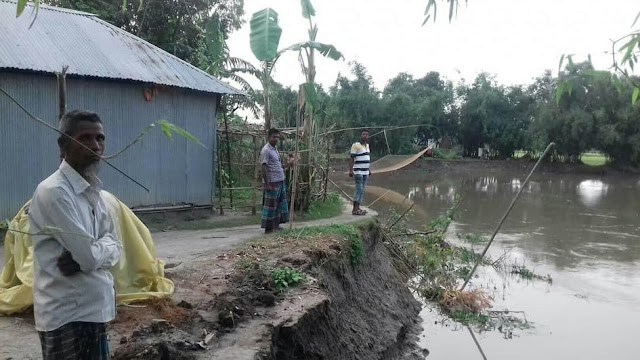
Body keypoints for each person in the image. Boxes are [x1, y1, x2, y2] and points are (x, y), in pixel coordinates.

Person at [29, 110, 122, 360]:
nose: (95, 145)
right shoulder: (55, 192)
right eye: (85, 138)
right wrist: (93, 255)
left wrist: (92, 255)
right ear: (64, 144)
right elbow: (90, 257)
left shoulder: (94, 190)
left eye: (100, 138)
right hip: (68, 316)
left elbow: (114, 247)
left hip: (94, 312)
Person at [260, 128, 291, 233]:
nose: (276, 139)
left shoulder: (275, 149)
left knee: (279, 204)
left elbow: (277, 166)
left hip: (280, 181)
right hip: (272, 182)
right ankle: (268, 228)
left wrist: (288, 165)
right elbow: (263, 167)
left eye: (278, 137)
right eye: (274, 137)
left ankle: (276, 225)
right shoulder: (266, 150)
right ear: (269, 137)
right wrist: (267, 183)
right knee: (271, 206)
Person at [349, 129, 370, 215]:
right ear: (360, 135)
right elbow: (351, 158)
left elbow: (367, 158)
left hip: (366, 172)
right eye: (363, 134)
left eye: (366, 134)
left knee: (362, 189)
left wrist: (369, 170)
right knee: (359, 188)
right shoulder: (356, 145)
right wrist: (350, 170)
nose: (365, 136)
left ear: (368, 136)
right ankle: (354, 209)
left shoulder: (367, 146)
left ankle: (358, 208)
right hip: (358, 171)